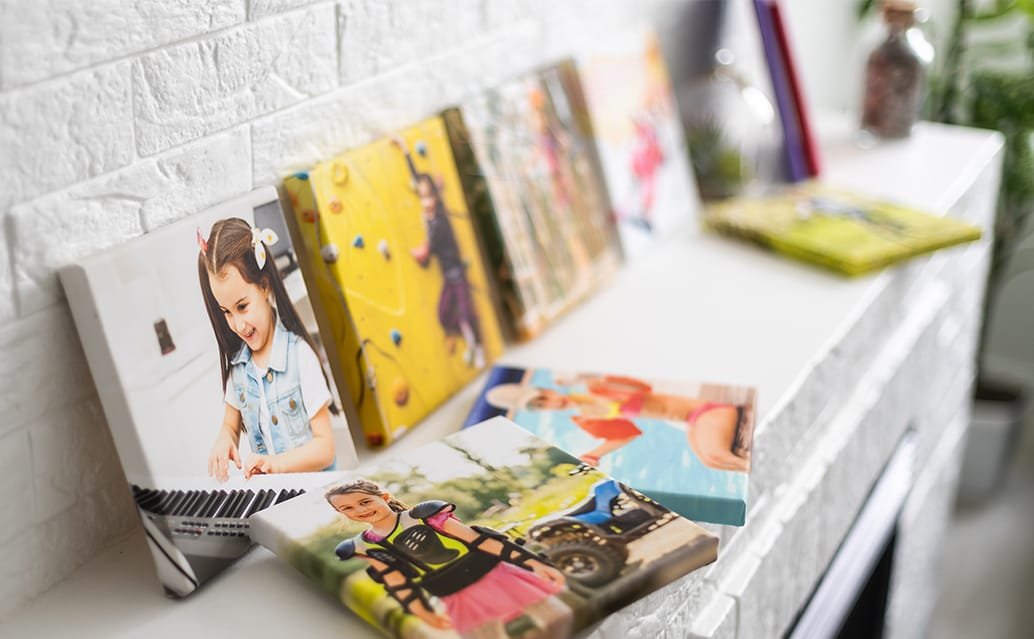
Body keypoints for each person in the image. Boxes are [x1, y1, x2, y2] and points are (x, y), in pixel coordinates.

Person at [327, 480, 573, 639]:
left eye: (365, 501)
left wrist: (534, 563)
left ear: (385, 496)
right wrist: (421, 612)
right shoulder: (364, 546)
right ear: (340, 513)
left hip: (498, 575)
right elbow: (396, 580)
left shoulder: (425, 515)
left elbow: (481, 541)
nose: (359, 510)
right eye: (347, 509)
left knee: (559, 618)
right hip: (456, 595)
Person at [198, 217, 336, 482]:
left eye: (242, 306)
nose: (237, 324)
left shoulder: (300, 356)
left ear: (264, 286)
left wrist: (276, 465)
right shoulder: (238, 370)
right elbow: (230, 426)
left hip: (315, 490)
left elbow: (325, 449)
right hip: (278, 494)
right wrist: (224, 440)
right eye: (226, 312)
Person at [485, 375, 750, 472]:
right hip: (692, 421)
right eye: (542, 406)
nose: (552, 403)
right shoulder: (585, 417)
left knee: (716, 454)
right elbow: (626, 435)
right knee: (708, 460)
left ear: (549, 390)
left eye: (545, 397)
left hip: (705, 408)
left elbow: (642, 387)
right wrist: (591, 455)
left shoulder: (594, 387)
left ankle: (755, 469)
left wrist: (593, 381)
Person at [392, 136, 486, 368]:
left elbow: (433, 244)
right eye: (422, 195)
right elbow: (416, 177)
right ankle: (465, 333)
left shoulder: (440, 214)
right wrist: (405, 150)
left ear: (435, 194)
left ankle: (477, 346)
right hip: (447, 274)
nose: (426, 199)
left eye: (429, 194)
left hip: (457, 272)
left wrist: (424, 250)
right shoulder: (428, 214)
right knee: (444, 314)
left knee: (466, 313)